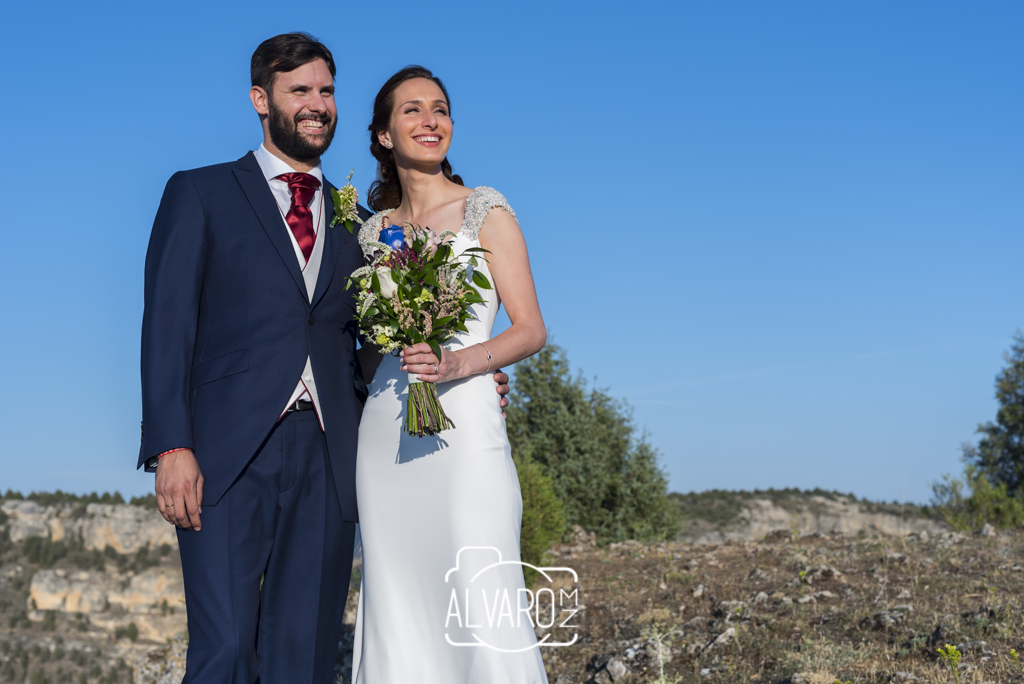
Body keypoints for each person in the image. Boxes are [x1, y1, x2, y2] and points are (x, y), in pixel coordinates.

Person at [138, 36, 510, 683]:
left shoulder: (365, 228)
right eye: (299, 91)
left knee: (303, 659)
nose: (317, 105)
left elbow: (381, 343)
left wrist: (465, 376)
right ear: (261, 100)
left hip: (334, 456)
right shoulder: (199, 194)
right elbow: (166, 328)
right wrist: (171, 445)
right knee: (224, 647)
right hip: (224, 458)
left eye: (327, 91)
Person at [351, 66, 549, 683]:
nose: (430, 120)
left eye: (439, 109)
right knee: (398, 602)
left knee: (478, 590)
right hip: (385, 434)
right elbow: (362, 352)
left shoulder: (484, 211)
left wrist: (463, 363)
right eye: (411, 111)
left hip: (464, 430)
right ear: (383, 135)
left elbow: (529, 329)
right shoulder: (370, 235)